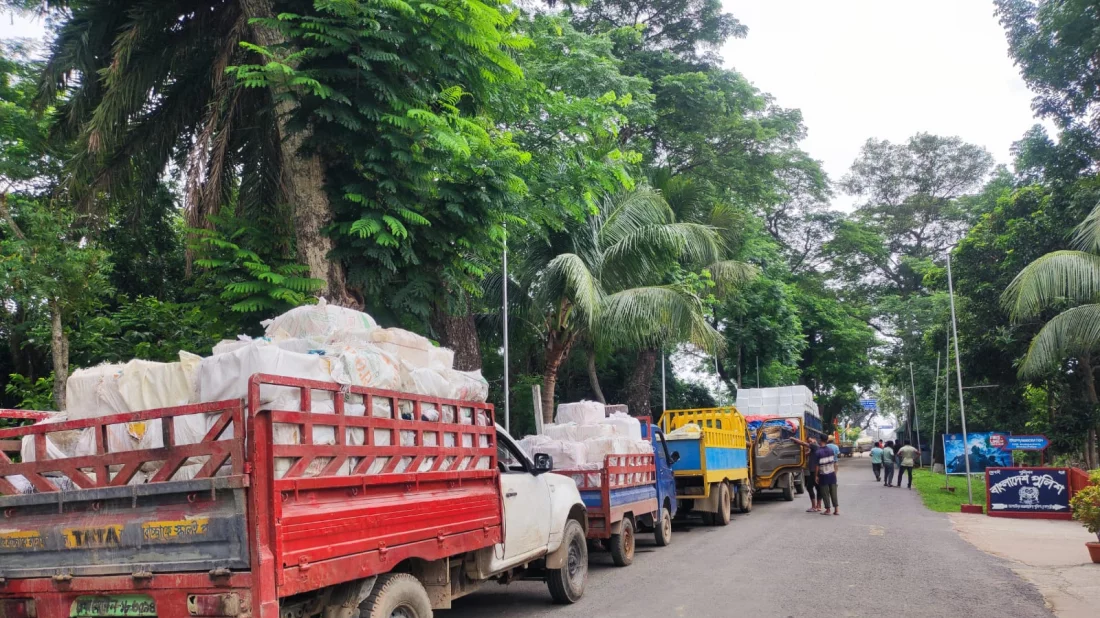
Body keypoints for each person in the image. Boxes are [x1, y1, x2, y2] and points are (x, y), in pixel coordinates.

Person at [792, 435, 821, 512]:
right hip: (816, 471)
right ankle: (818, 506)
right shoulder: (816, 448)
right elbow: (807, 454)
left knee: (809, 487)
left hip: (814, 471)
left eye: (810, 440)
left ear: (814, 439)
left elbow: (802, 443)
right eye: (809, 441)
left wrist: (794, 439)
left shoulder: (814, 445)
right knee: (818, 488)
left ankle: (814, 507)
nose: (809, 442)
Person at [815, 439, 839, 516]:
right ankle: (836, 510)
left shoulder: (818, 452)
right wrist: (835, 472)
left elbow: (817, 466)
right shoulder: (831, 450)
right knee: (833, 492)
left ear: (821, 441)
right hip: (832, 474)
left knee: (825, 493)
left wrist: (816, 475)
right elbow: (835, 462)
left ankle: (828, 510)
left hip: (823, 475)